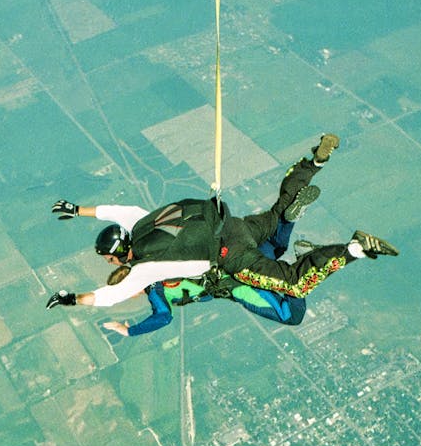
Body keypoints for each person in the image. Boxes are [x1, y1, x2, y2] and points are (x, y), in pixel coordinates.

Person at [46, 134, 398, 311]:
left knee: (293, 284)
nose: (111, 264)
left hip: (231, 252)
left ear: (120, 254)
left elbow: (111, 295)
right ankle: (313, 164)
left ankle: (354, 248)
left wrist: (70, 299)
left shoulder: (144, 267)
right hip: (232, 223)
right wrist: (78, 210)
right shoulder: (140, 223)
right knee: (277, 215)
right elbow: (117, 209)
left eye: (110, 259)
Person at [103, 217, 308, 337]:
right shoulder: (155, 263)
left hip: (237, 283)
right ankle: (287, 219)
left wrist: (130, 331)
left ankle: (304, 260)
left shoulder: (155, 288)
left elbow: (163, 316)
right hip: (229, 258)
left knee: (290, 315)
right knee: (274, 249)